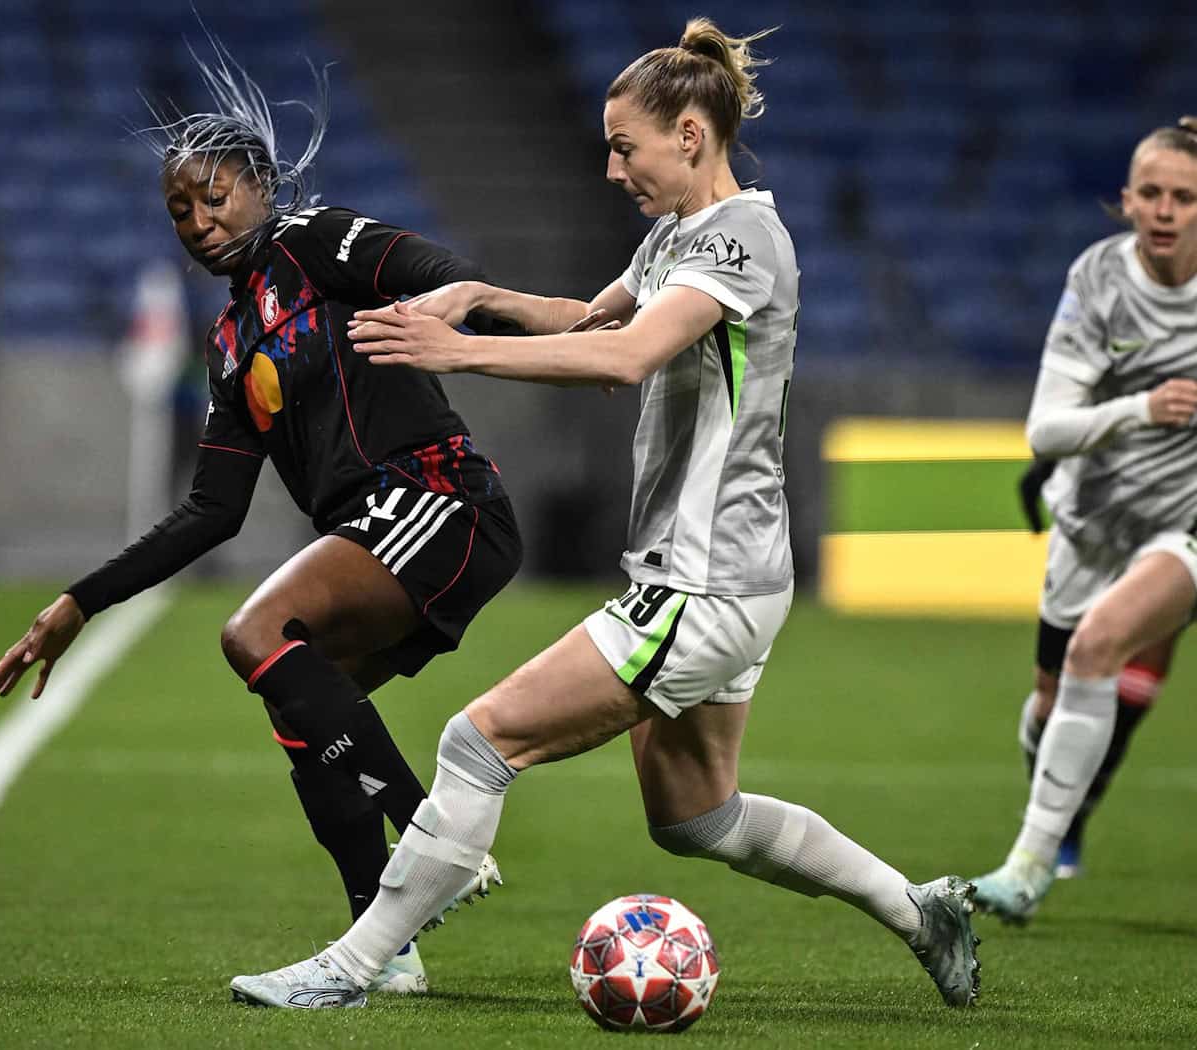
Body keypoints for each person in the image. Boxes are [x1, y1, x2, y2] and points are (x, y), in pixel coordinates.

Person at [228, 19, 981, 1012]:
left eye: (624, 145)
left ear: (688, 135)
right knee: (696, 817)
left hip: (700, 583)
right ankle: (918, 909)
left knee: (476, 740)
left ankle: (353, 967)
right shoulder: (680, 235)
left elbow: (624, 358)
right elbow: (592, 319)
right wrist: (476, 298)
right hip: (721, 574)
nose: (611, 165)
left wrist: (454, 355)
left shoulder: (740, 238)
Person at [0, 37, 524, 993]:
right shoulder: (231, 341)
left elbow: (435, 268)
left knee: (253, 631)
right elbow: (210, 512)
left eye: (214, 196)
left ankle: (431, 835)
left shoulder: (314, 242)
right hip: (378, 526)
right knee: (296, 705)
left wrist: (471, 313)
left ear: (262, 184)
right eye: (179, 210)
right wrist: (78, 601)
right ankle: (383, 944)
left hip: (439, 497)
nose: (197, 222)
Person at [971, 117, 1197, 922]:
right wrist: (1142, 406)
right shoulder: (1099, 280)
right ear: (1127, 201)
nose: (1166, 210)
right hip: (1092, 521)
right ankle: (1060, 819)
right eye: (1152, 194)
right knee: (1047, 708)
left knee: (1100, 646)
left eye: (1185, 196)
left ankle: (1027, 869)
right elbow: (1046, 430)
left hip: (1184, 524)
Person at [1015, 458, 1175, 879]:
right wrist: (1040, 476)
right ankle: (1048, 817)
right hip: (1090, 551)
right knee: (1050, 703)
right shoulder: (1122, 406)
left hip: (1167, 546)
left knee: (1128, 704)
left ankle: (1069, 826)